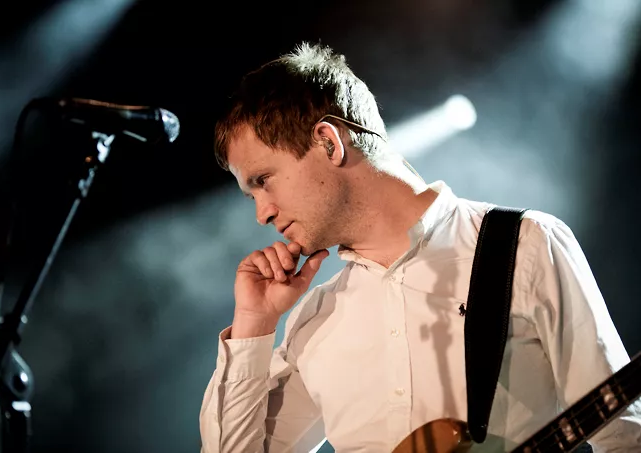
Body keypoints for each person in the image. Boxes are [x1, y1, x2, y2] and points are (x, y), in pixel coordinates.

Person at [198, 42, 641, 452]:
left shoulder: (525, 245)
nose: (262, 214)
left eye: (263, 181)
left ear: (329, 143)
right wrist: (254, 324)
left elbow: (625, 437)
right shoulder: (313, 319)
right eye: (252, 195)